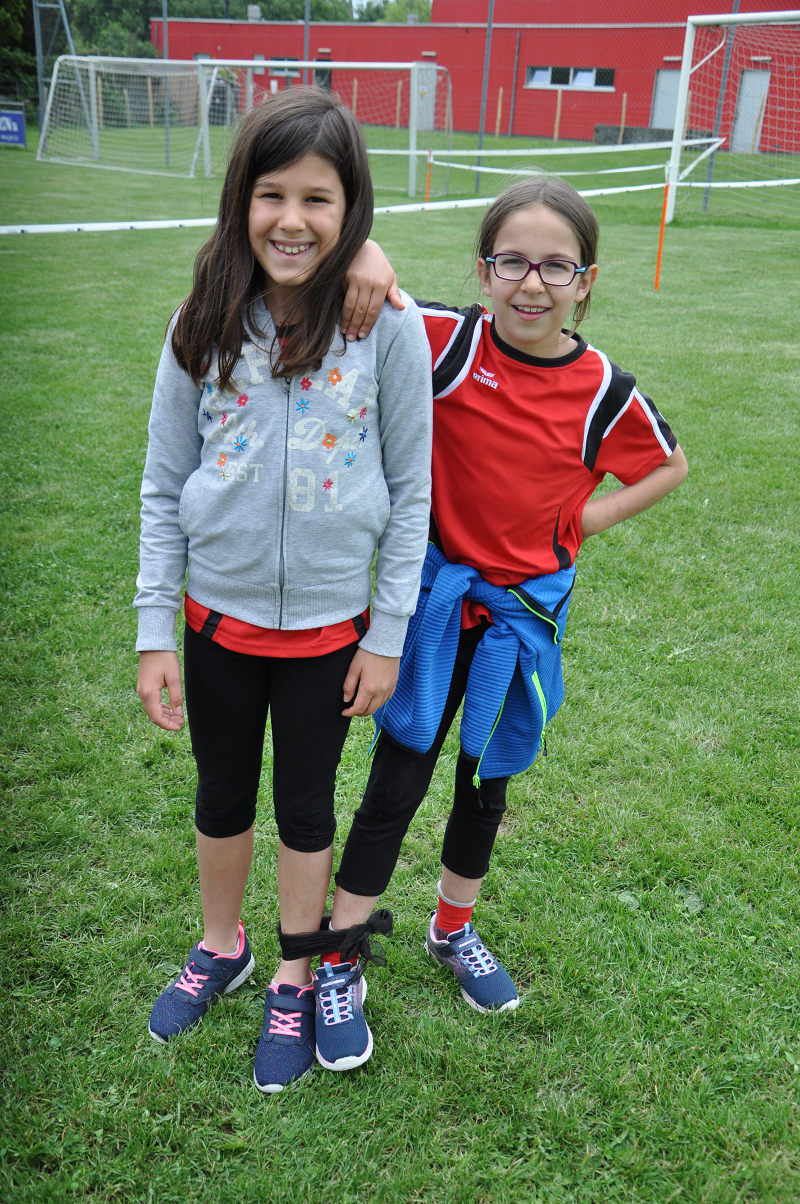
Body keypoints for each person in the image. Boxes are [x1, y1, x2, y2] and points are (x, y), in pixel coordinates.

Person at [326, 175, 688, 1055]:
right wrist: (368, 249)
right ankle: (339, 951)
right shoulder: (447, 342)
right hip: (435, 614)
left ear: (586, 281)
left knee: (485, 784)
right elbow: (354, 282)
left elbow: (667, 465)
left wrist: (584, 520)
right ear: (484, 271)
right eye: (512, 262)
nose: (532, 283)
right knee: (397, 781)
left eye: (556, 266)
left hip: (519, 623)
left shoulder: (603, 390)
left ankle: (451, 928)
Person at [134, 87, 432, 1094]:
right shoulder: (200, 321)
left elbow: (411, 493)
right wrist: (154, 627)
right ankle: (221, 947)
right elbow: (163, 484)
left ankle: (295, 974)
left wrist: (387, 634)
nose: (292, 220)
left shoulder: (387, 327)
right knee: (221, 796)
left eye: (318, 198)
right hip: (215, 622)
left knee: (306, 808)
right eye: (272, 195)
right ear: (241, 200)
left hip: (329, 636)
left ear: (352, 209)